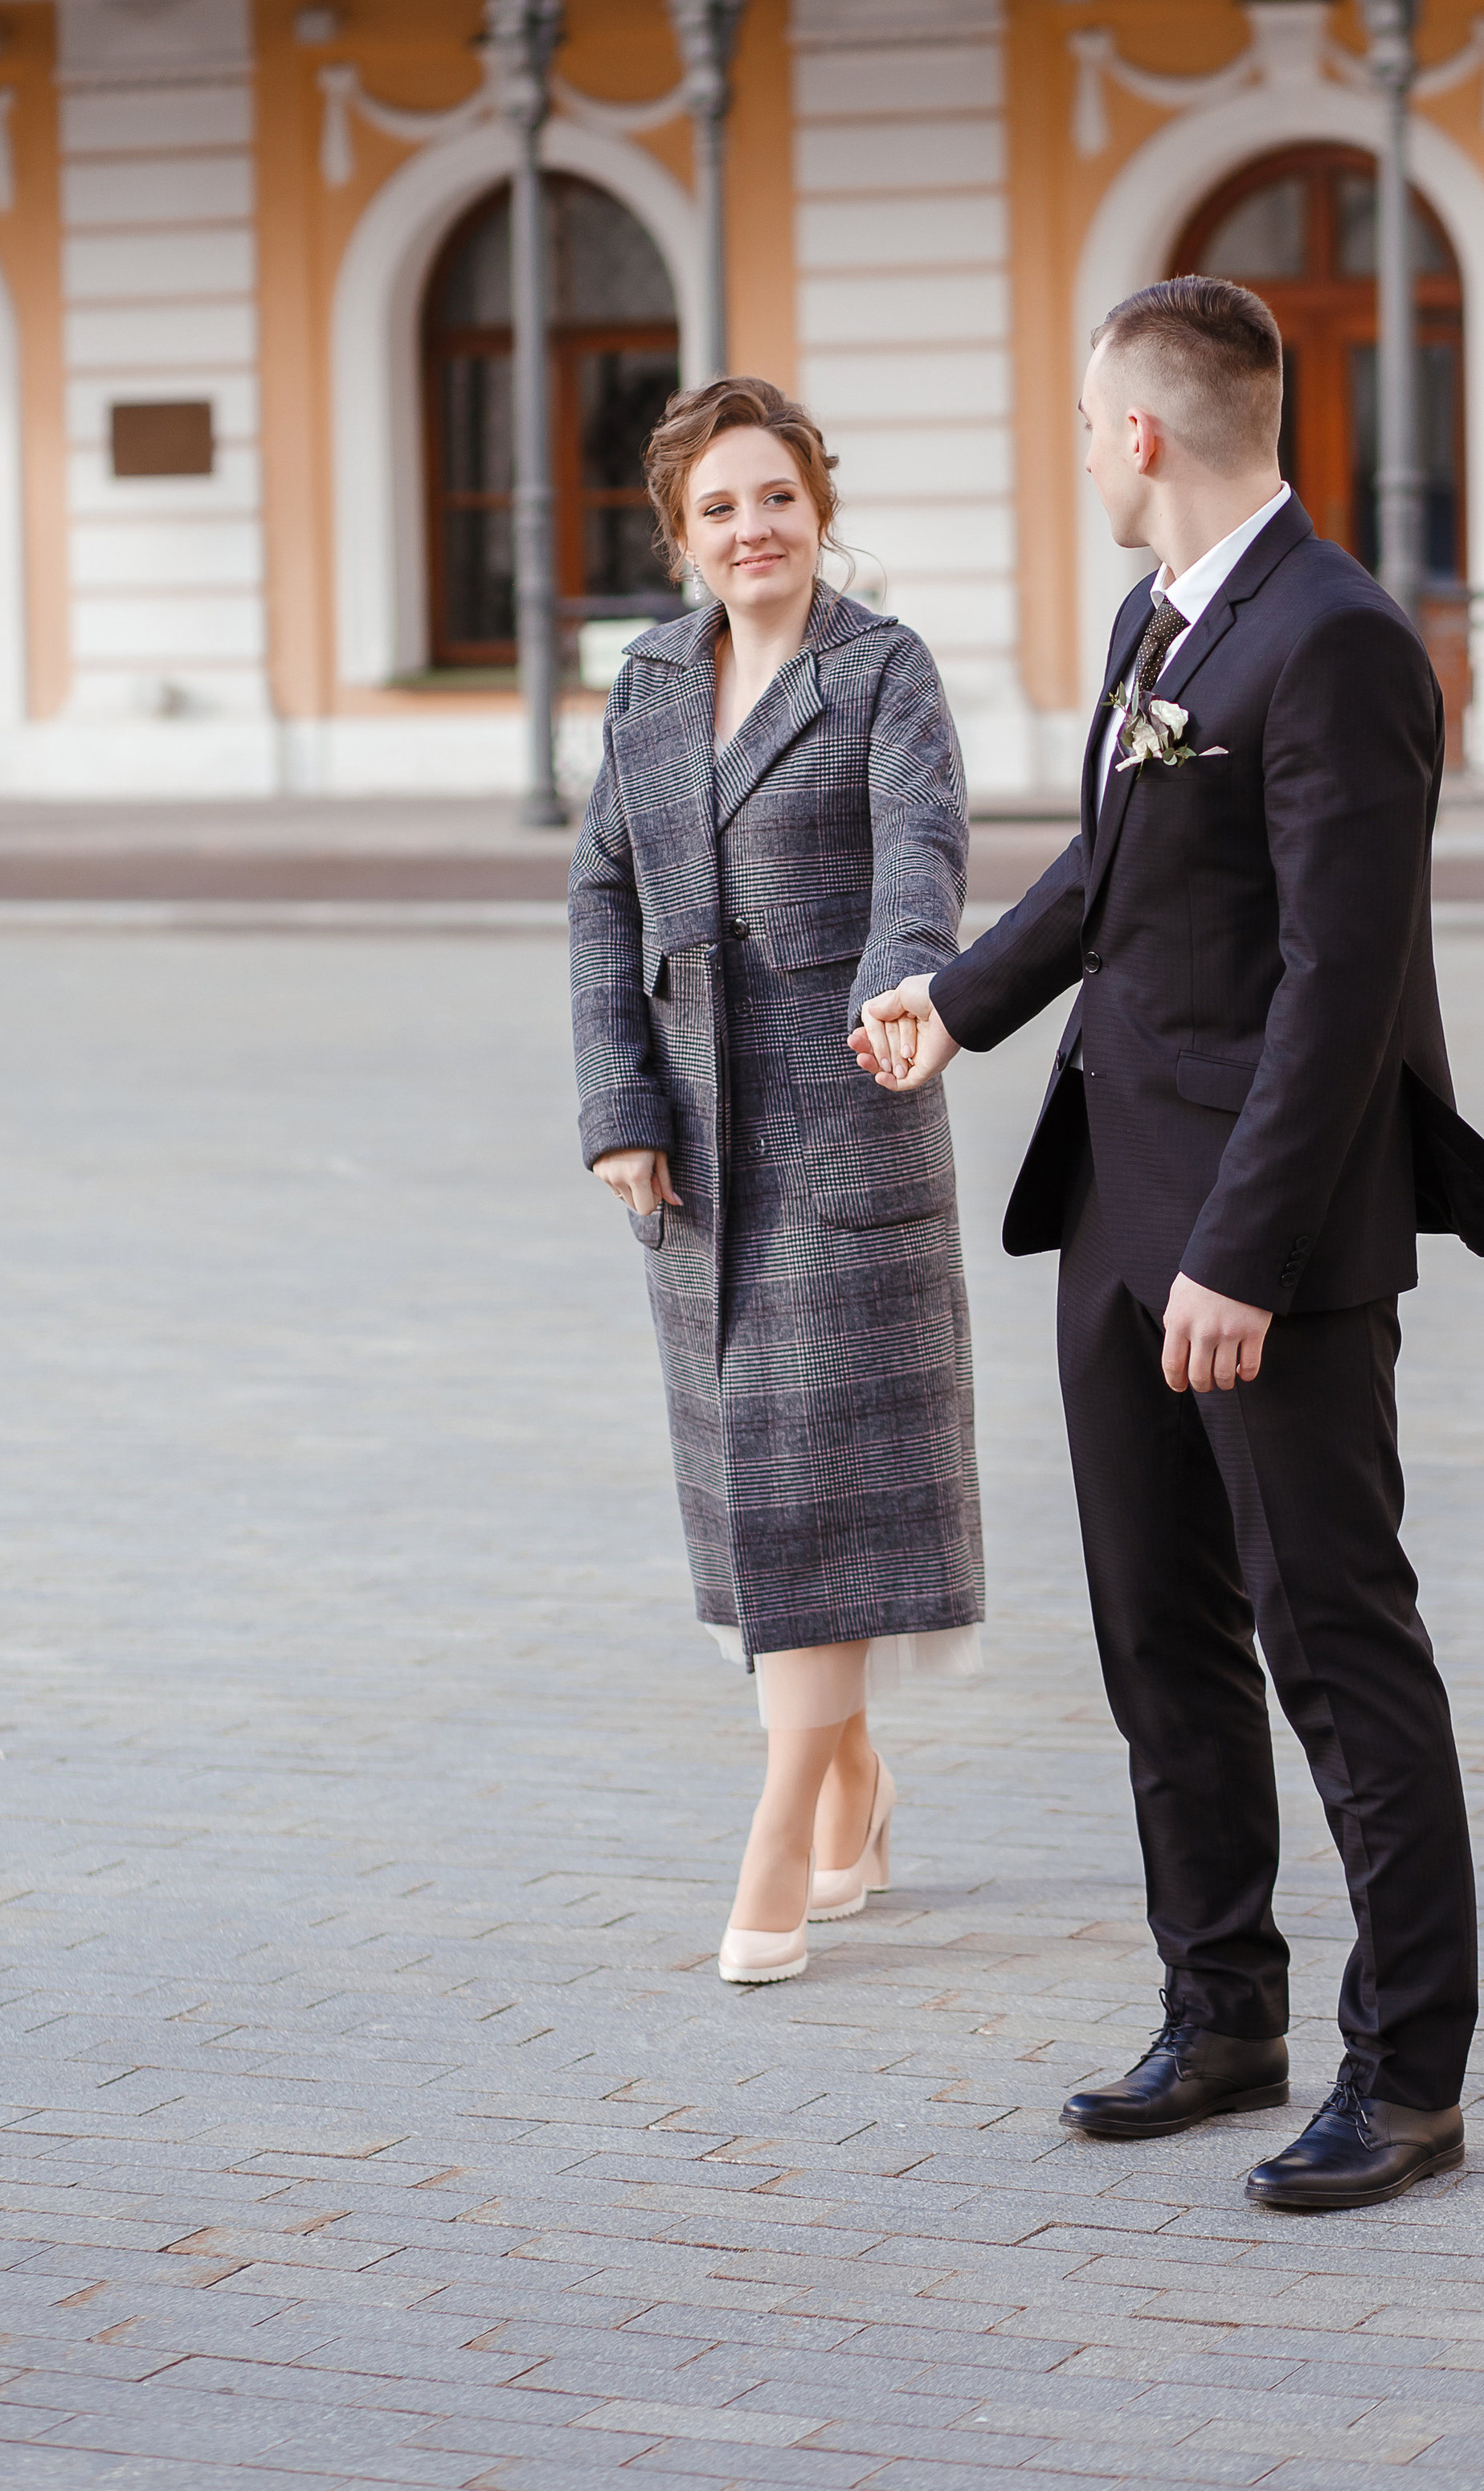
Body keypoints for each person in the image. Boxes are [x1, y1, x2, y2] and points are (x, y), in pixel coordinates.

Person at [854, 277, 1484, 2209]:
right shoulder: (1155, 618)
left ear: (1143, 434)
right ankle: (1218, 2008)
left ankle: (1405, 2074)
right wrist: (953, 1000)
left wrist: (1238, 1254)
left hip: (1266, 1245)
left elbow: (1344, 985)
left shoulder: (1332, 642)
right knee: (1157, 1631)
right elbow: (1106, 866)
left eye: (1088, 421)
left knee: (1332, 1642)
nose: (1081, 449)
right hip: (1111, 1205)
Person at [570, 374, 983, 1988]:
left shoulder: (881, 673)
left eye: (780, 498)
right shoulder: (650, 684)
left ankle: (779, 1816)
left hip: (842, 1118)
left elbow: (922, 858)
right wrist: (616, 1104)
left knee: (816, 1492)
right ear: (679, 531)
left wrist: (903, 991)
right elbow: (601, 898)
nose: (756, 529)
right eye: (721, 506)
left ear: (820, 507)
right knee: (763, 1500)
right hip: (689, 1156)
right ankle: (855, 1780)